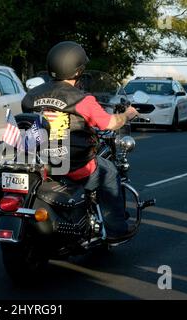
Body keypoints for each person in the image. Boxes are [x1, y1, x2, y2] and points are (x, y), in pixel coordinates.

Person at [22, 41, 139, 241]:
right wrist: (128, 115)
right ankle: (115, 227)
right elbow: (109, 123)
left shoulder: (31, 96)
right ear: (78, 70)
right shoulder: (81, 99)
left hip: (38, 162)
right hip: (72, 165)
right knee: (109, 172)